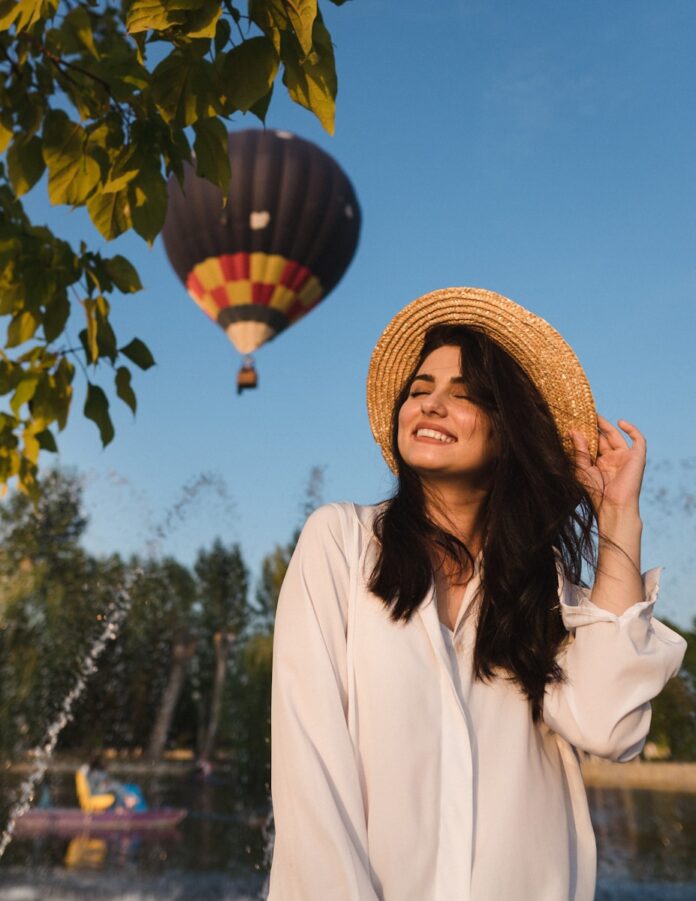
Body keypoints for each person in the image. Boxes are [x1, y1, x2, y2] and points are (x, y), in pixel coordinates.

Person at [267, 287, 687, 901]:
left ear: (510, 431)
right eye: (419, 389)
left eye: (463, 396)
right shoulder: (341, 543)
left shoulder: (535, 588)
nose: (431, 405)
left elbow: (610, 727)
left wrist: (619, 517)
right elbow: (310, 774)